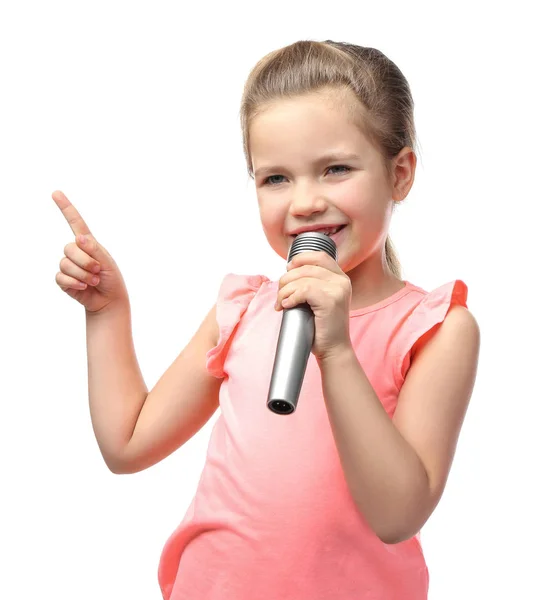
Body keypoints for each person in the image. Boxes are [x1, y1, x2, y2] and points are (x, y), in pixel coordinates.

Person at [53, 40, 480, 600]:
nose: (304, 203)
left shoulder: (433, 328)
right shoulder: (242, 310)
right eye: (276, 178)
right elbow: (127, 445)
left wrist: (337, 351)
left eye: (335, 169)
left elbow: (397, 514)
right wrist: (108, 311)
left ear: (399, 174)